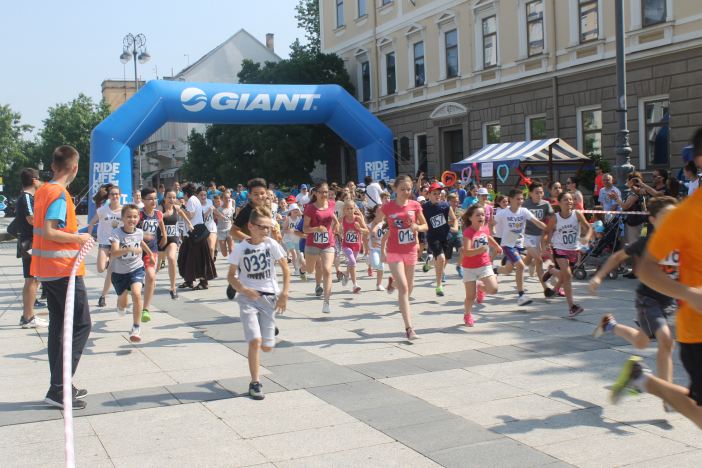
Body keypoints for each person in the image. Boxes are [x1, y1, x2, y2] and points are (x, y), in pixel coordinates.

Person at [609, 129, 702, 429]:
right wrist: (688, 293)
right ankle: (645, 381)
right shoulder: (682, 215)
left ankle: (642, 380)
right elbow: (646, 267)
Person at [590, 196, 678, 410]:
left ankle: (609, 325)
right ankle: (667, 395)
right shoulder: (647, 242)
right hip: (648, 299)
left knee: (641, 342)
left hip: (669, 300)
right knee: (666, 340)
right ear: (654, 220)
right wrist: (599, 276)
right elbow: (618, 256)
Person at [32, 145, 92, 410]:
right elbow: (49, 231)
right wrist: (79, 238)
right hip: (62, 269)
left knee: (58, 328)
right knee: (81, 325)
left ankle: (60, 386)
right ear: (75, 168)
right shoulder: (58, 194)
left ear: (54, 165)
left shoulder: (44, 190)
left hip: (47, 269)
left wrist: (75, 232)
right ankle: (58, 387)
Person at [227, 207, 290, 400]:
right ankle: (255, 382)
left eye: (268, 228)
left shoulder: (271, 244)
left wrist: (284, 293)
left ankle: (268, 332)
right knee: (255, 341)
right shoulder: (240, 248)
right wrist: (242, 289)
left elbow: (286, 270)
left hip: (269, 298)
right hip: (248, 298)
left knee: (267, 346)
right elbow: (230, 276)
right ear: (251, 226)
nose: (266, 231)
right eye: (262, 227)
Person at [377, 175, 428, 340]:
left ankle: (394, 282)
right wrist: (372, 231)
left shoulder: (415, 205)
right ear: (395, 190)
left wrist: (417, 227)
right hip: (394, 250)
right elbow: (377, 222)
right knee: (405, 289)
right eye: (402, 189)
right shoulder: (388, 207)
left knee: (409, 287)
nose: (406, 192)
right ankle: (409, 328)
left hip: (411, 250)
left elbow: (425, 225)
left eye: (408, 189)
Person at [493, 188, 546, 306]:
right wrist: (491, 232)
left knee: (508, 270)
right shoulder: (503, 213)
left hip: (520, 245)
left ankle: (494, 270)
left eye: (522, 199)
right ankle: (521, 295)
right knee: (521, 266)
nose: (520, 201)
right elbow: (491, 223)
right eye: (518, 199)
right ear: (510, 199)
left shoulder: (524, 211)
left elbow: (536, 222)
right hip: (508, 244)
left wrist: (548, 228)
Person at [542, 192, 592, 317]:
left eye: (571, 199)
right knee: (568, 276)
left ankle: (553, 276)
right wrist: (547, 245)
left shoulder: (577, 214)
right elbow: (548, 231)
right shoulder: (555, 218)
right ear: (559, 203)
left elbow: (589, 228)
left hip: (574, 250)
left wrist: (586, 237)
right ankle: (572, 307)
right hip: (559, 248)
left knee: (565, 275)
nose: (569, 202)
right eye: (566, 200)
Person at [110, 204, 153, 342]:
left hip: (136, 268)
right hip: (119, 272)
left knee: (136, 293)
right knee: (122, 303)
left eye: (135, 217)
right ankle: (120, 304)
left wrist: (150, 253)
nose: (132, 219)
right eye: (129, 216)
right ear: (122, 218)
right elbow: (114, 252)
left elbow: (140, 242)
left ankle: (136, 327)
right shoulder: (117, 233)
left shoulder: (139, 232)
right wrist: (128, 248)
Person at [15, 167, 47, 328]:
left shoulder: (27, 197)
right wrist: (50, 224)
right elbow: (31, 219)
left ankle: (28, 315)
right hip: (30, 243)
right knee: (32, 280)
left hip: (30, 242)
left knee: (33, 279)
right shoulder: (27, 197)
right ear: (34, 180)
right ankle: (28, 316)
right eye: (39, 178)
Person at [461, 204, 501, 326]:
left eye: (483, 214)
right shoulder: (468, 232)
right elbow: (466, 252)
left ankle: (481, 288)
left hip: (484, 264)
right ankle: (467, 315)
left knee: (493, 289)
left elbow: (488, 237)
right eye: (477, 215)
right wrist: (479, 250)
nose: (481, 217)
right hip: (469, 268)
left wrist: (496, 246)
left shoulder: (485, 228)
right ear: (470, 218)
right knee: (470, 297)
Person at [303, 181, 338, 314]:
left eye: (326, 192)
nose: (324, 194)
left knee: (327, 270)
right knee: (310, 270)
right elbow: (305, 229)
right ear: (316, 193)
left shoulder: (332, 203)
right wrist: (317, 228)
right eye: (322, 192)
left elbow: (331, 214)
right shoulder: (310, 208)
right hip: (312, 243)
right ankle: (302, 267)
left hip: (328, 243)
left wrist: (336, 224)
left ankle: (326, 302)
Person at [229, 178, 268, 299]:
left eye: (262, 193)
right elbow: (233, 231)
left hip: (263, 250)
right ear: (249, 195)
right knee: (250, 280)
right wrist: (250, 239)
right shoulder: (246, 211)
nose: (260, 196)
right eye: (256, 194)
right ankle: (236, 284)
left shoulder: (266, 209)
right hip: (247, 251)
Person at [87, 184, 122, 308]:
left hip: (116, 243)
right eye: (112, 194)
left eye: (117, 194)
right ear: (109, 196)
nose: (115, 196)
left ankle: (103, 296)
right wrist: (89, 237)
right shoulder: (103, 210)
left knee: (110, 272)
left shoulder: (124, 210)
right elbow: (91, 223)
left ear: (120, 196)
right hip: (104, 242)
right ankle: (108, 262)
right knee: (101, 268)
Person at [422, 182, 458, 296]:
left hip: (446, 236)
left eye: (439, 193)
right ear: (428, 195)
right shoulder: (424, 207)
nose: (437, 195)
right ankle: (439, 286)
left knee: (441, 260)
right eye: (434, 193)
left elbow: (454, 219)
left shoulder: (445, 205)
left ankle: (429, 264)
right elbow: (419, 221)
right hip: (433, 237)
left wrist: (455, 227)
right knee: (441, 258)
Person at [178, 183, 217, 290]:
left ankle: (203, 282)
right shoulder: (195, 199)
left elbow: (190, 215)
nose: (183, 197)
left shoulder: (191, 200)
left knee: (197, 258)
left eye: (183, 194)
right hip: (192, 234)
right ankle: (189, 280)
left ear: (186, 194)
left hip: (195, 234)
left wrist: (181, 209)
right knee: (186, 257)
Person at [137, 187, 166, 323]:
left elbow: (161, 224)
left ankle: (146, 309)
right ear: (143, 200)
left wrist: (164, 236)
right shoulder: (138, 215)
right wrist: (143, 235)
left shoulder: (158, 214)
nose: (154, 201)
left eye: (155, 198)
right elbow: (133, 234)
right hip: (136, 252)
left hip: (152, 250)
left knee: (151, 276)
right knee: (132, 283)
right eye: (150, 199)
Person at [522, 182, 555, 298]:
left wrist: (548, 236)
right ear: (530, 193)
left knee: (528, 260)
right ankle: (546, 289)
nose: (539, 194)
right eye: (537, 192)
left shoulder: (546, 204)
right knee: (539, 261)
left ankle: (523, 264)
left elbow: (552, 220)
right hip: (527, 235)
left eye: (541, 192)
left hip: (540, 236)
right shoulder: (525, 204)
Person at [159, 189, 192, 299]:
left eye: (173, 197)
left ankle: (173, 288)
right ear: (164, 198)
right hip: (160, 240)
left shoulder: (176, 208)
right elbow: (154, 220)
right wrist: (164, 215)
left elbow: (182, 213)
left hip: (172, 238)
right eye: (169, 197)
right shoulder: (160, 208)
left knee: (172, 259)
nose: (171, 199)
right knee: (157, 266)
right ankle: (150, 278)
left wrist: (189, 224)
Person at [340, 200, 368, 293]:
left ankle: (346, 274)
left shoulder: (358, 218)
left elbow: (367, 231)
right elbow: (336, 228)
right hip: (346, 245)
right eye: (347, 209)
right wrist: (338, 231)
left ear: (354, 209)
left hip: (356, 245)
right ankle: (355, 285)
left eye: (351, 208)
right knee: (352, 262)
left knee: (351, 264)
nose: (349, 210)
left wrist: (359, 228)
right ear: (344, 210)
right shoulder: (342, 218)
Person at [214, 191, 235, 258]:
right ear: (222, 199)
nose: (227, 199)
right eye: (225, 198)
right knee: (224, 254)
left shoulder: (231, 209)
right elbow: (214, 217)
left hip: (229, 230)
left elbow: (232, 219)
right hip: (221, 231)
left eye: (229, 198)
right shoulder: (218, 209)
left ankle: (233, 263)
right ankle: (222, 249)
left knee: (231, 249)